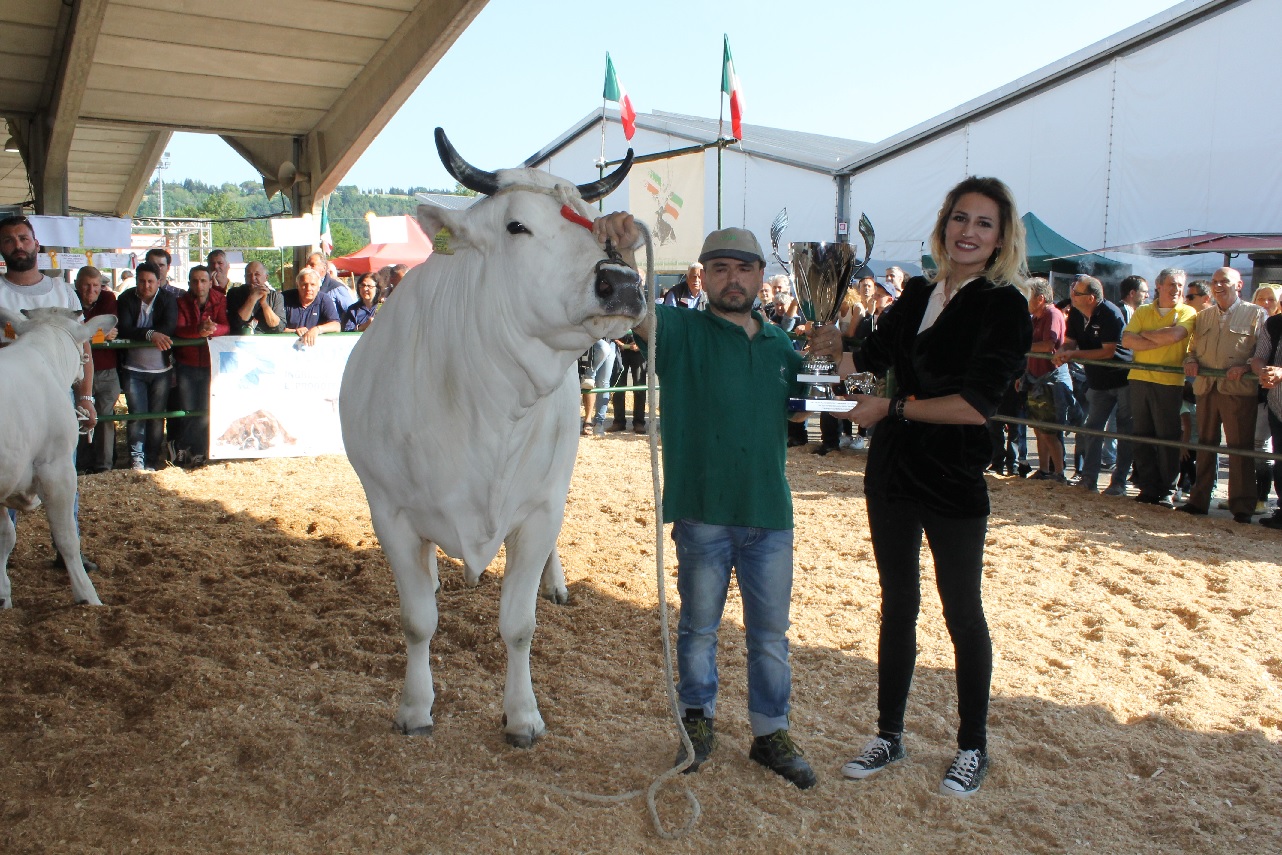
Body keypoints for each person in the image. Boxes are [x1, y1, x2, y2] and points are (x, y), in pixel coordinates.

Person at [818, 176, 1033, 798]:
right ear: (943, 226)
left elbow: (974, 404)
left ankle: (972, 746)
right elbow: (872, 375)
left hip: (952, 477)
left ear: (1001, 237)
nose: (969, 231)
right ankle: (889, 733)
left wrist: (895, 410)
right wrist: (839, 357)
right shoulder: (914, 293)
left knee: (962, 611)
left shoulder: (1003, 305)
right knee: (898, 606)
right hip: (890, 472)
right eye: (960, 218)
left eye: (984, 223)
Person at [594, 214, 817, 789]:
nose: (733, 279)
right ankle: (697, 724)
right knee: (697, 630)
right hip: (701, 513)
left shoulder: (782, 348)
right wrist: (616, 249)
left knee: (770, 637)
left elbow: (809, 408)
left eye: (743, 268)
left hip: (770, 513)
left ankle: (771, 733)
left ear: (761, 276)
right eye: (721, 268)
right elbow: (630, 305)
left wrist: (836, 357)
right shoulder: (679, 331)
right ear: (704, 277)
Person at [0, 216, 100, 572]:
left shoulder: (62, 291)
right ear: (2, 249)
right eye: (9, 240)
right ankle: (3, 557)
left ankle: (66, 550)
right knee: (5, 471)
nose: (18, 245)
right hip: (11, 401)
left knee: (63, 474)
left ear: (36, 243)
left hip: (57, 400)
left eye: (23, 238)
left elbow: (83, 349)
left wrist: (85, 396)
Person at [1178, 268, 1266, 523]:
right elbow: (1191, 349)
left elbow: (1262, 351)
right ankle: (1199, 499)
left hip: (1238, 391)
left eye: (1224, 281)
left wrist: (1247, 367)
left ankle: (1242, 506)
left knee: (1240, 447)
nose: (1218, 286)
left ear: (1238, 285)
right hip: (1206, 388)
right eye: (1214, 282)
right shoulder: (1203, 316)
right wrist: (1191, 360)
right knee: (1205, 443)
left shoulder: (1255, 313)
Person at [1122, 268, 1196, 507]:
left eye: (1180, 285)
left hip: (1169, 382)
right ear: (1159, 286)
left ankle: (1166, 488)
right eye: (1172, 284)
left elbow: (1176, 336)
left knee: (1167, 437)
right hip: (1141, 379)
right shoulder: (1143, 310)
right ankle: (1148, 486)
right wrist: (1159, 337)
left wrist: (1145, 335)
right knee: (1142, 435)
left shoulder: (1187, 311)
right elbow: (1127, 340)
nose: (1176, 290)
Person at [1054, 274, 1132, 494]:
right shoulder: (1077, 315)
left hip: (1122, 380)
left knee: (1125, 432)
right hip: (1097, 381)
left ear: (1090, 297)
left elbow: (1108, 352)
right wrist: (1061, 352)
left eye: (1076, 293)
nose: (1072, 296)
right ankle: (1089, 479)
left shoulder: (1111, 314)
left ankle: (1119, 482)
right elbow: (1069, 342)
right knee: (1092, 429)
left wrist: (1073, 354)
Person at [117, 261, 178, 471]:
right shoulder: (125, 298)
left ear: (159, 282)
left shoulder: (168, 299)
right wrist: (151, 334)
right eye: (142, 281)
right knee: (136, 415)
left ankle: (152, 458)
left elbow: (169, 326)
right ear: (136, 282)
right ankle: (136, 459)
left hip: (161, 369)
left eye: (150, 281)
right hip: (133, 368)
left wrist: (147, 332)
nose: (146, 286)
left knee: (156, 417)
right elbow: (124, 328)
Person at [173, 265, 229, 467]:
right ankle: (185, 447)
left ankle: (197, 450)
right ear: (189, 283)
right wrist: (199, 331)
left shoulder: (219, 299)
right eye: (195, 281)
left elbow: (226, 326)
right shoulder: (181, 302)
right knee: (188, 409)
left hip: (209, 363)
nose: (199, 285)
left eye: (203, 280)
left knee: (205, 410)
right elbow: (179, 330)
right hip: (186, 363)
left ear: (209, 282)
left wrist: (212, 329)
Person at [1025, 277, 1074, 481]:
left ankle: (1059, 472)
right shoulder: (1036, 317)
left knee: (1049, 431)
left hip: (1050, 379)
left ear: (1040, 298)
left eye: (1028, 296)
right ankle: (1044, 470)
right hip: (1036, 377)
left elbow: (1048, 345)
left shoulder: (1052, 314)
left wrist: (1022, 347)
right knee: (1038, 428)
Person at [74, 266, 121, 474]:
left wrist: (87, 335)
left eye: (96, 285)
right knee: (81, 416)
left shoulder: (108, 298)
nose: (91, 289)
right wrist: (94, 335)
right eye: (86, 285)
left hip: (106, 368)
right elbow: (73, 333)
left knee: (105, 417)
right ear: (77, 285)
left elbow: (110, 329)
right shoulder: (70, 300)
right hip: (79, 371)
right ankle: (80, 464)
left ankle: (104, 466)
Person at [1249, 292, 1282, 529]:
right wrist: (1263, 371)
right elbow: (1259, 357)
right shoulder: (1274, 323)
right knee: (1279, 458)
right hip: (1277, 403)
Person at [282, 268, 341, 346]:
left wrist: (317, 329)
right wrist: (294, 331)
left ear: (319, 287)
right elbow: (274, 327)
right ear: (297, 285)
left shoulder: (324, 299)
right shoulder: (284, 298)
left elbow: (336, 326)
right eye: (304, 284)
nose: (308, 289)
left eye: (313, 285)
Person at [226, 261, 286, 334]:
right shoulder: (234, 293)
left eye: (257, 274)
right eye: (249, 275)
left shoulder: (276, 296)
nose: (252, 278)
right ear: (245, 277)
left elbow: (279, 327)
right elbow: (236, 323)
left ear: (266, 277)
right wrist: (252, 298)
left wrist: (264, 304)